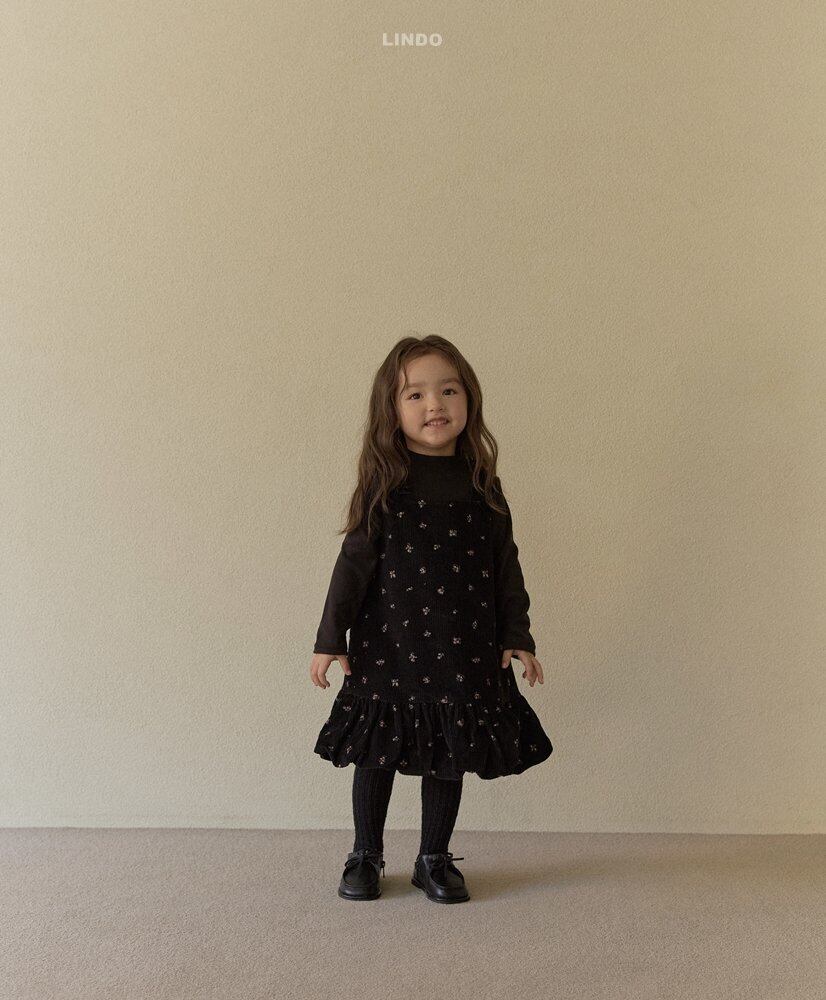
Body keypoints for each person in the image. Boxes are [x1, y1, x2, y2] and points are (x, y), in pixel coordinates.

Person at [310, 334, 554, 903]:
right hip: (390, 643)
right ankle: (365, 853)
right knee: (376, 753)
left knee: (449, 754)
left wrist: (517, 633)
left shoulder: (482, 484)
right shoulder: (384, 483)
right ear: (392, 410)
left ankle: (433, 858)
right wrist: (330, 637)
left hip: (464, 643)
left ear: (469, 399)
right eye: (415, 394)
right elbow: (352, 565)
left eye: (448, 390)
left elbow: (505, 563)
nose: (434, 405)